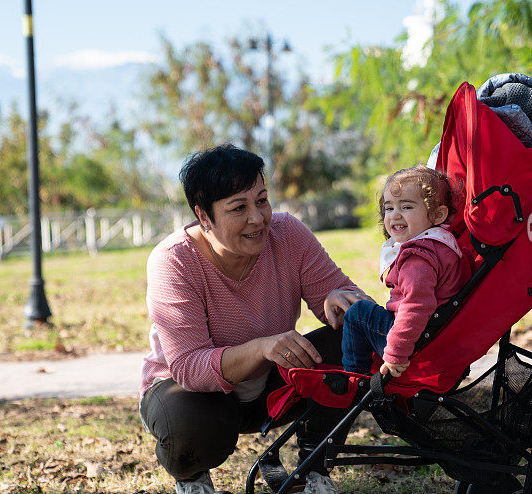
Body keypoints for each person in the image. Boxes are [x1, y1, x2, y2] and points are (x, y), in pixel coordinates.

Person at [139, 145, 367, 494]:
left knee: (349, 340)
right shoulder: (173, 261)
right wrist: (261, 348)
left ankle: (314, 467)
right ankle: (192, 477)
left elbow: (345, 303)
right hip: (195, 394)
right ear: (203, 216)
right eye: (238, 208)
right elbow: (187, 367)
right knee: (189, 423)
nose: (258, 218)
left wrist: (343, 301)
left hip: (272, 385)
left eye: (262, 200)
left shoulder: (287, 233)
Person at [335, 166, 470, 378]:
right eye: (389, 209)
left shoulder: (418, 257)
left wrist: (395, 353)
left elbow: (416, 306)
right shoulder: (441, 244)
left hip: (418, 342)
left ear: (437, 214)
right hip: (436, 333)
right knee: (365, 310)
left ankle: (354, 378)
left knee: (357, 314)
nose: (395, 215)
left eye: (406, 207)